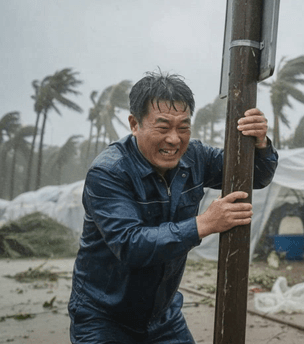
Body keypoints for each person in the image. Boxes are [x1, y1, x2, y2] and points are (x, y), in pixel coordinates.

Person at [68, 71, 278, 343]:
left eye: (183, 127)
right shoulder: (109, 172)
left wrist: (260, 142)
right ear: (134, 124)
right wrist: (203, 224)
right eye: (163, 127)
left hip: (163, 317)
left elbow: (256, 176)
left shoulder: (196, 157)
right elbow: (129, 244)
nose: (174, 139)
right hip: (103, 318)